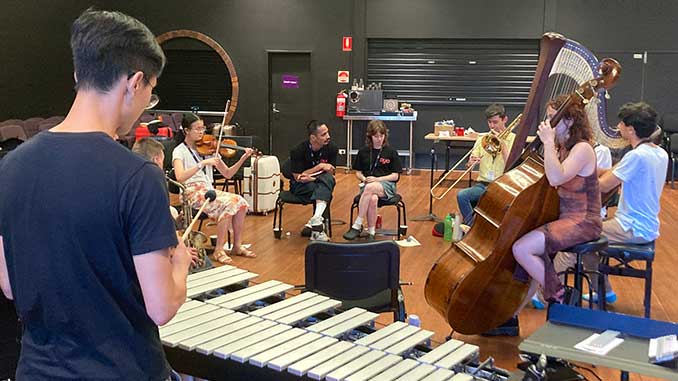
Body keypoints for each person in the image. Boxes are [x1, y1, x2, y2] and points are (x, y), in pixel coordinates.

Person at [0, 8, 191, 380]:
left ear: (79, 74)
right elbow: (162, 307)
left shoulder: (9, 167)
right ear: (135, 82)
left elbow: (9, 285)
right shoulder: (139, 176)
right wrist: (179, 263)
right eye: (150, 93)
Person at [504, 95, 602, 335]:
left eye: (552, 118)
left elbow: (556, 177)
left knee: (522, 249)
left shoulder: (582, 149)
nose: (548, 123)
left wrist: (547, 144)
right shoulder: (564, 148)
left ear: (569, 121)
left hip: (583, 221)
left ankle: (561, 295)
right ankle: (511, 314)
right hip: (564, 218)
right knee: (525, 255)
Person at [583, 102, 667, 302]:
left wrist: (579, 171)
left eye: (621, 123)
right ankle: (604, 291)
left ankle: (548, 294)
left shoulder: (636, 156)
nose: (617, 127)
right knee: (587, 234)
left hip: (631, 227)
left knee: (582, 238)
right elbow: (614, 171)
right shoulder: (658, 152)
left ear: (631, 129)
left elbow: (603, 185)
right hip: (646, 225)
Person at [172, 112, 255, 264]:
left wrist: (243, 158)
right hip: (190, 192)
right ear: (186, 131)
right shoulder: (179, 151)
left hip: (208, 190)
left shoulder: (209, 149)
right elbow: (180, 177)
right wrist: (201, 164)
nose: (201, 132)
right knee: (228, 203)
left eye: (202, 129)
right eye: (197, 129)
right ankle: (219, 250)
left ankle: (237, 245)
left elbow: (228, 174)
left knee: (241, 202)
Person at [343, 120, 402, 241]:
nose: (379, 139)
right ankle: (371, 231)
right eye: (376, 136)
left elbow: (395, 176)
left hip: (387, 185)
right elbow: (358, 172)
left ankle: (357, 224)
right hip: (368, 186)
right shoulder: (363, 152)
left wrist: (377, 179)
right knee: (373, 198)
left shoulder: (391, 152)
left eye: (381, 136)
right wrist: (364, 179)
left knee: (370, 188)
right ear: (370, 136)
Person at [289, 120, 338, 241]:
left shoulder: (332, 148)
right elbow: (298, 177)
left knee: (327, 181)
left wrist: (313, 178)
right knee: (325, 190)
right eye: (323, 134)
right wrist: (320, 167)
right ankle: (317, 225)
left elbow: (331, 172)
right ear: (313, 137)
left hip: (319, 181)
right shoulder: (298, 150)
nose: (328, 136)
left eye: (328, 133)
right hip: (300, 186)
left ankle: (315, 220)